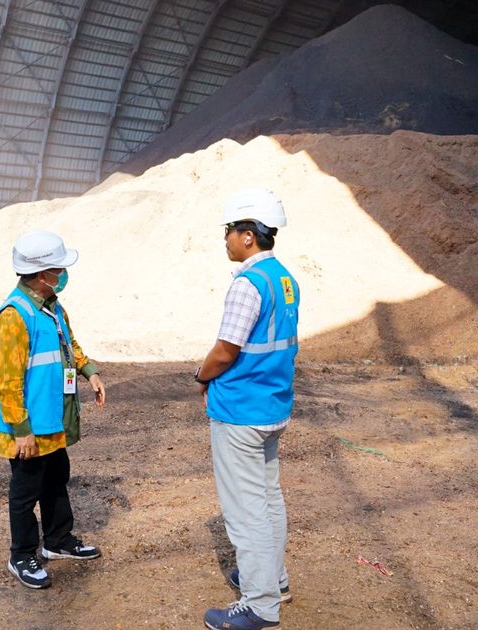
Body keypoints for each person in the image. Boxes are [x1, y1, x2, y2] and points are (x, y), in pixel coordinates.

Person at [196, 189, 299, 630]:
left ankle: (259, 604)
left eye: (229, 232)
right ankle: (274, 580)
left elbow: (225, 350)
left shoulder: (247, 283)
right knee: (269, 498)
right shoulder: (285, 278)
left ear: (248, 236)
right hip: (272, 405)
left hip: (240, 411)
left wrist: (201, 377)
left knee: (246, 511)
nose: (225, 240)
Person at [0, 230, 107, 589]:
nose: (63, 274)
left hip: (53, 421)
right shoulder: (14, 316)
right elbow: (8, 382)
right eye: (58, 269)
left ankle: (57, 541)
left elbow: (68, 344)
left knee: (56, 481)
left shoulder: (52, 305)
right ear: (42, 275)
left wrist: (90, 372)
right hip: (29, 427)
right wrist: (21, 430)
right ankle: (22, 555)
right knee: (25, 494)